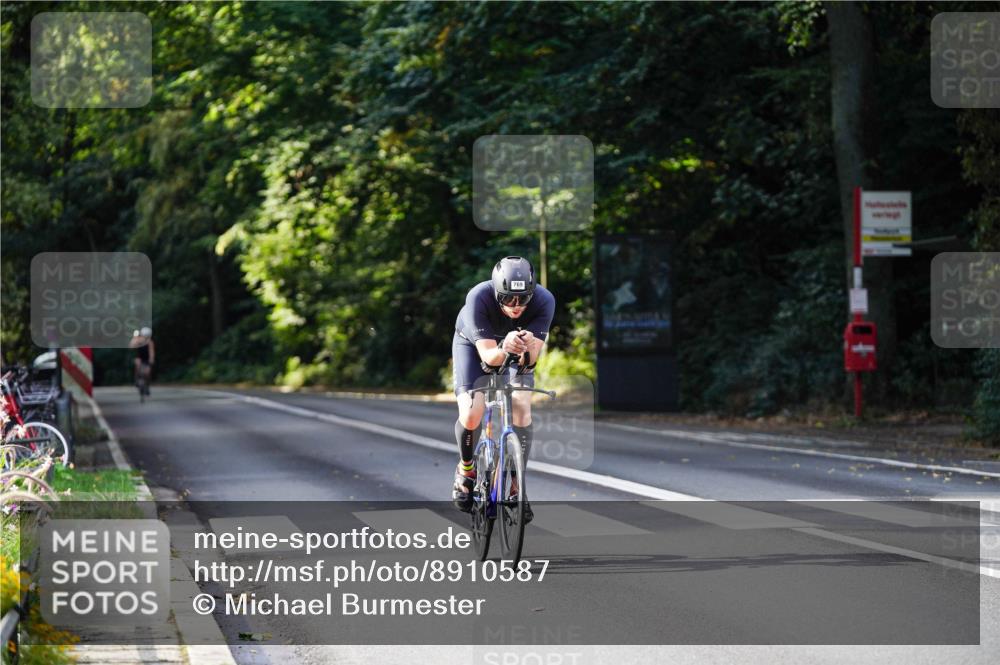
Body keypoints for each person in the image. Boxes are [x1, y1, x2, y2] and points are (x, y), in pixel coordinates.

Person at [451, 256, 555, 521]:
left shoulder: (544, 301)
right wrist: (504, 346)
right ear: (497, 293)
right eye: (508, 299)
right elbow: (488, 358)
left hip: (514, 348)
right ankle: (466, 470)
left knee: (521, 406)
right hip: (476, 348)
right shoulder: (479, 297)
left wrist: (529, 347)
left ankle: (516, 486)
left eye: (523, 299)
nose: (516, 306)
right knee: (472, 411)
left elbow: (530, 363)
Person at [132, 327, 155, 394]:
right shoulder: (138, 340)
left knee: (148, 372)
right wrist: (135, 338)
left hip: (147, 359)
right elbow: (132, 346)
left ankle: (147, 386)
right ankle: (136, 380)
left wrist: (151, 359)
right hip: (139, 358)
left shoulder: (150, 342)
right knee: (137, 364)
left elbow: (151, 352)